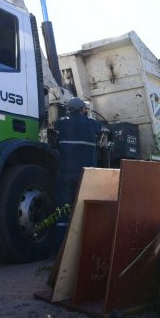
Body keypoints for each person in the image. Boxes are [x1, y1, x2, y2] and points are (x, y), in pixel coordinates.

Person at [52, 97, 101, 251]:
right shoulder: (92, 124)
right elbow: (101, 129)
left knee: (63, 209)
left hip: (65, 173)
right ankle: (83, 248)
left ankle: (59, 250)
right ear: (83, 109)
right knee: (83, 208)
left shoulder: (62, 123)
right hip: (85, 175)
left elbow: (54, 128)